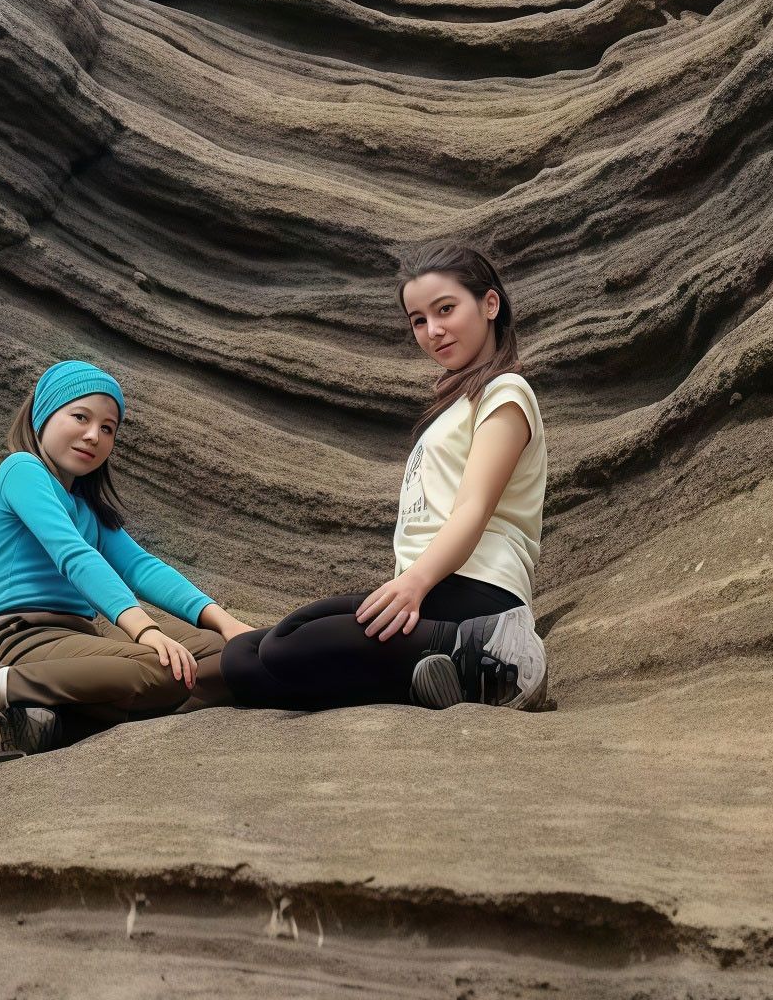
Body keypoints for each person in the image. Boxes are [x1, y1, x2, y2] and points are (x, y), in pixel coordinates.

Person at [223, 238, 552, 712]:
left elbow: (474, 508)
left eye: (445, 309)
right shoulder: (454, 406)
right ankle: (454, 675)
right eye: (419, 320)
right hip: (433, 589)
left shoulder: (506, 392)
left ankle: (500, 654)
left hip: (477, 589)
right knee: (243, 660)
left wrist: (414, 583)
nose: (433, 330)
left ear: (490, 305)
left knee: (284, 648)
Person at [0, 358, 257, 776]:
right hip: (20, 637)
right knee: (170, 673)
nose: (94, 435)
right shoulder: (21, 470)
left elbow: (142, 567)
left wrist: (227, 624)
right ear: (43, 416)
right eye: (81, 417)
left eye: (108, 428)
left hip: (81, 635)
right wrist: (145, 630)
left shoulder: (88, 508)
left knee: (226, 655)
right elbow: (72, 554)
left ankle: (52, 722)